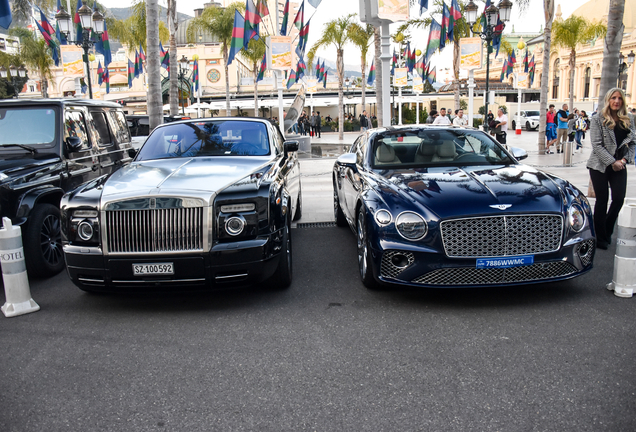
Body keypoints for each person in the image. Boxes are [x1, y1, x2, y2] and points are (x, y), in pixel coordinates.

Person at [587, 87, 636, 250]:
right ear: (608, 100)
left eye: (620, 98)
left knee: (619, 199)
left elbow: (633, 142)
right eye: (613, 98)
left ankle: (606, 230)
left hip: (620, 164)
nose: (616, 101)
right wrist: (612, 162)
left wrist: (623, 160)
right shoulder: (597, 119)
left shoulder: (628, 118)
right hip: (599, 165)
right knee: (602, 201)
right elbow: (597, 145)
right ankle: (600, 238)